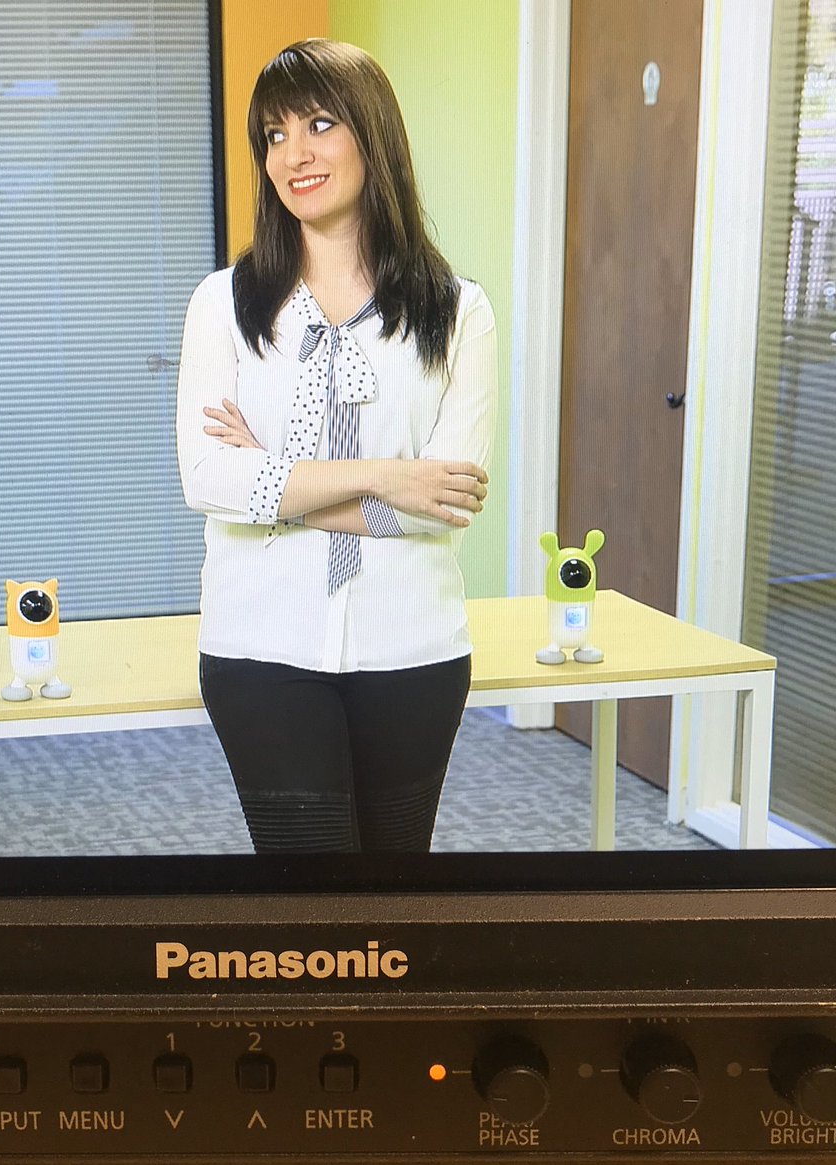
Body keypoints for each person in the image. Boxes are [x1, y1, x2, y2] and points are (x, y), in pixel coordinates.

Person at [175, 38, 497, 853]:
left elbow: (441, 505)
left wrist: (277, 491)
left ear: (372, 134)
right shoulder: (222, 305)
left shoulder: (459, 312)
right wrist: (387, 475)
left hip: (414, 648)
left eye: (320, 124)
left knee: (395, 900)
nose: (295, 154)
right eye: (274, 135)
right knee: (313, 902)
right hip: (260, 649)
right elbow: (210, 479)